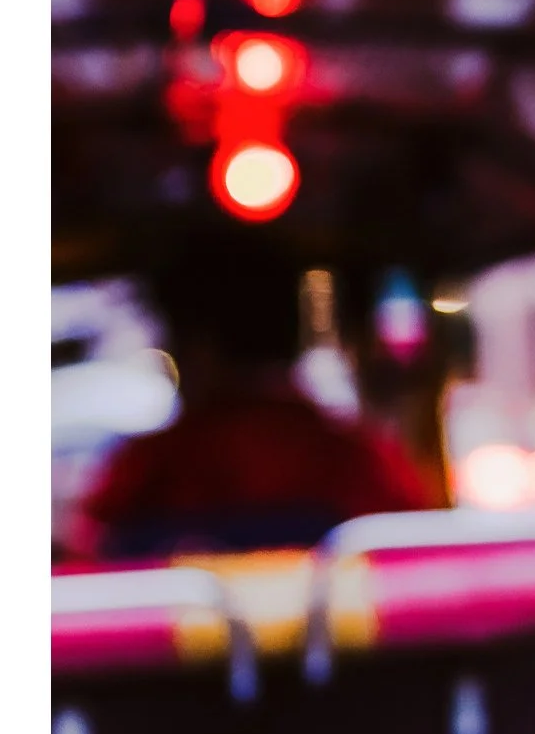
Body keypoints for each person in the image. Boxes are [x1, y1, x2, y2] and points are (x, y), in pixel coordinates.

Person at [74, 238, 429, 561]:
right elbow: (421, 563)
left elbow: (91, 558)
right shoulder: (362, 462)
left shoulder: (148, 470)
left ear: (198, 348)